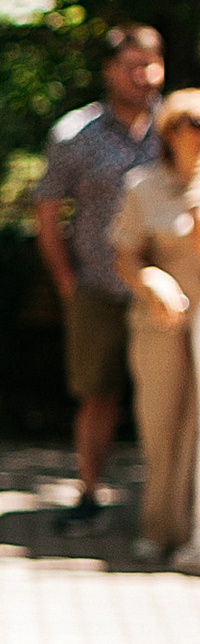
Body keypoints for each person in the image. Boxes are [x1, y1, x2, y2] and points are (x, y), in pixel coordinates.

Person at [35, 25, 165, 531]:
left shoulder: (179, 126)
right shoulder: (75, 134)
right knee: (98, 394)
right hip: (98, 287)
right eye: (132, 66)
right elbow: (48, 212)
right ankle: (90, 494)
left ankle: (167, 502)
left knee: (169, 398)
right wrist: (67, 283)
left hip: (166, 291)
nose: (143, 76)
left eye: (150, 65)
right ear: (109, 71)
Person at [112, 88, 200, 566]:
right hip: (158, 322)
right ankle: (159, 528)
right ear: (170, 131)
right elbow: (125, 256)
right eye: (193, 124)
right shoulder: (142, 186)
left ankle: (192, 538)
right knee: (160, 424)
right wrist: (153, 281)